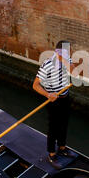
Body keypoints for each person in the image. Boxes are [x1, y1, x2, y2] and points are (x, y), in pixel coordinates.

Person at [33, 40, 77, 170]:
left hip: (65, 97)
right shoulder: (47, 65)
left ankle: (62, 148)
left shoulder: (66, 59)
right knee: (53, 128)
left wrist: (67, 62)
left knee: (64, 124)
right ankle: (52, 155)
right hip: (53, 100)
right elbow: (35, 85)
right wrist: (48, 95)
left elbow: (74, 73)